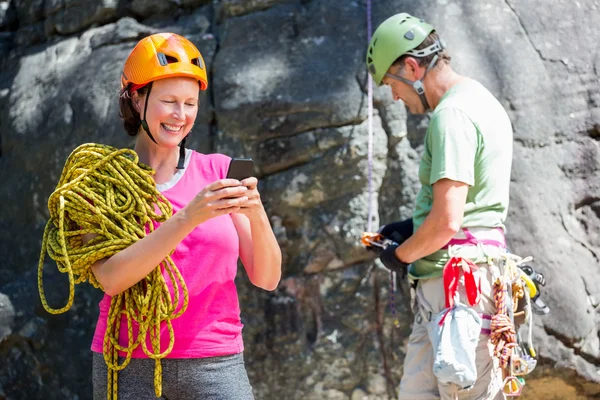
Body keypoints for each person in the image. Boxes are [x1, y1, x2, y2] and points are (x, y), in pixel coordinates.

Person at [88, 32, 282, 399]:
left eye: (190, 103)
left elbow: (267, 278)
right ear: (136, 96)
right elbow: (111, 279)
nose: (181, 116)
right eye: (169, 101)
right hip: (128, 363)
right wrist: (187, 217)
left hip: (217, 361)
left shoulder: (220, 171)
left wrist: (257, 213)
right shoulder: (103, 182)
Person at [367, 13, 514, 400]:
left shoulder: (451, 115)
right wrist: (413, 228)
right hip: (460, 284)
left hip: (459, 289)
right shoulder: (482, 101)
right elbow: (468, 206)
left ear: (412, 67)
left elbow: (448, 221)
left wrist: (401, 254)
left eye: (393, 85)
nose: (395, 97)